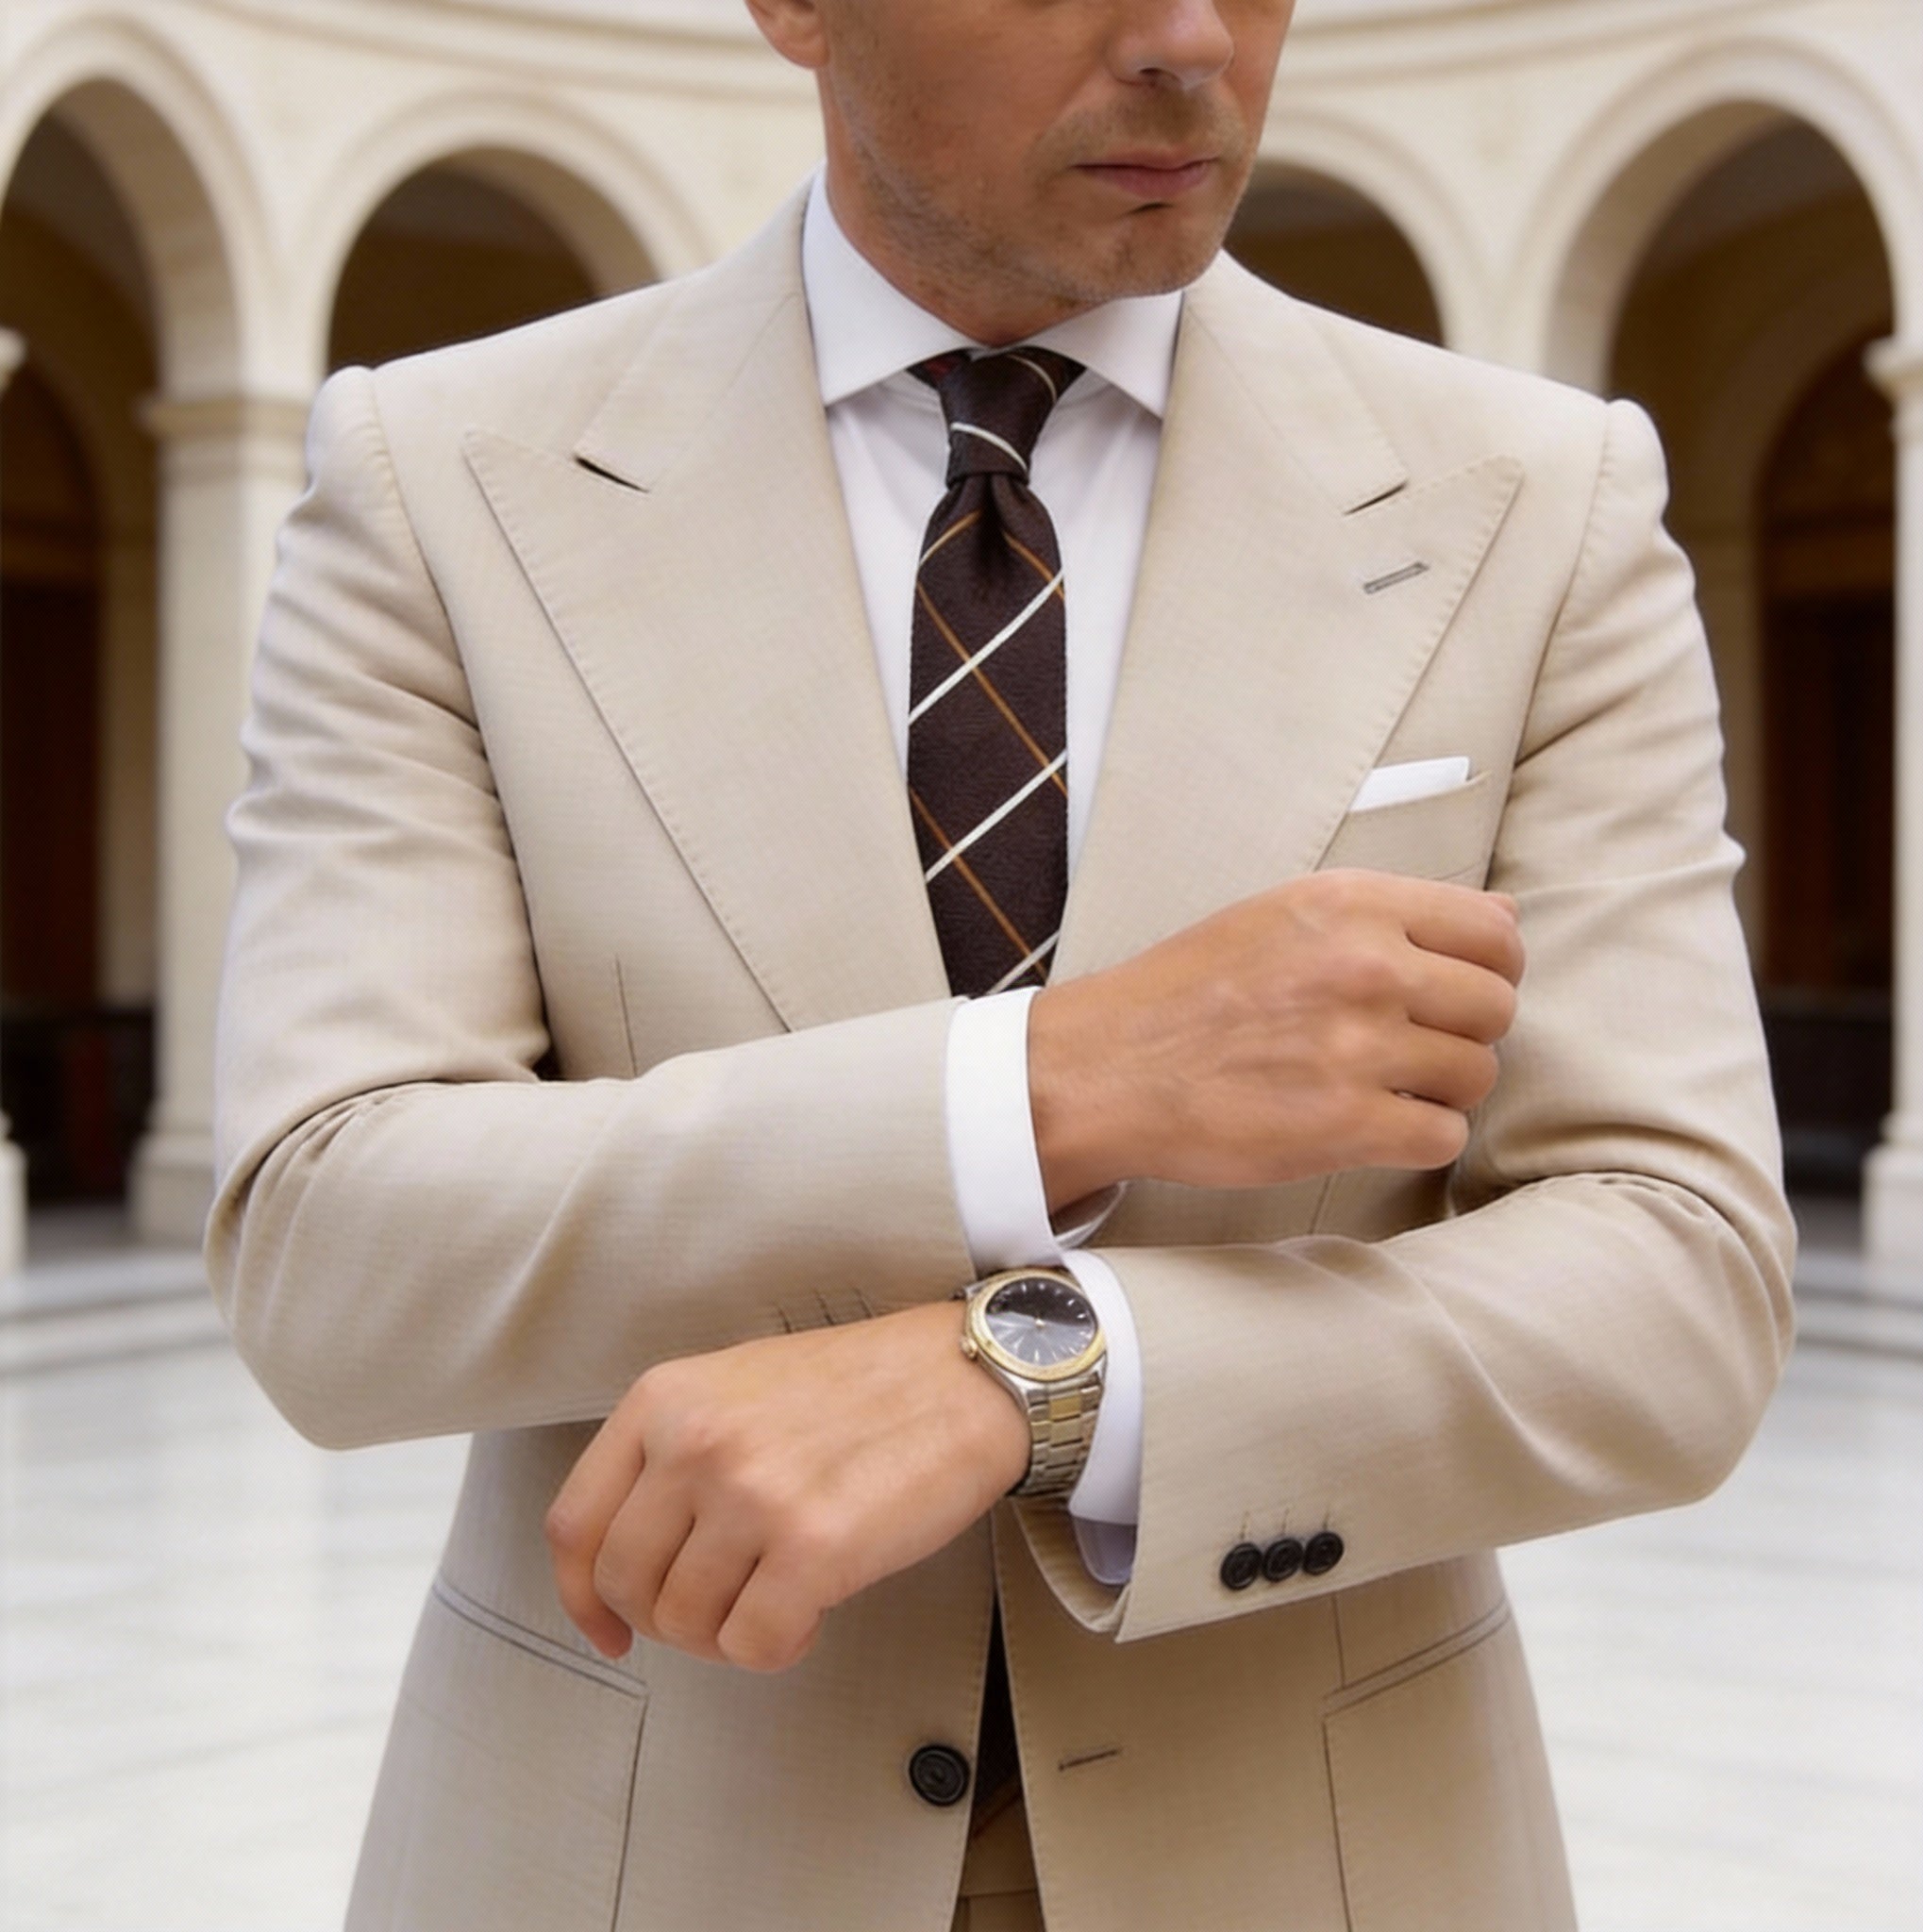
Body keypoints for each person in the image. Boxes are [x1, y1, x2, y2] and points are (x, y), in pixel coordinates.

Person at [207, 1, 1794, 1926]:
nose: (1191, 36)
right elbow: (327, 1243)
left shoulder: (1539, 506)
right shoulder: (442, 477)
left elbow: (1675, 1281)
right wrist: (1052, 1084)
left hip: (1325, 1854)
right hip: (636, 1852)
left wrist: (1040, 1381)